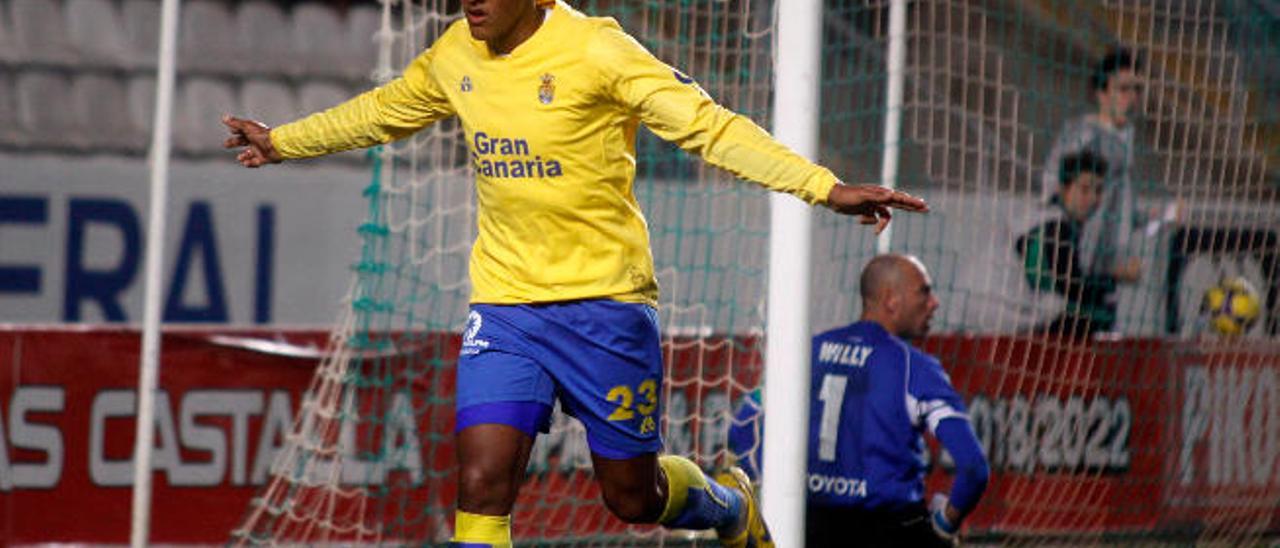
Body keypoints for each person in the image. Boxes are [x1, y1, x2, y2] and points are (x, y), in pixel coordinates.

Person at [222, 1, 929, 546]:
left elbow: (709, 127)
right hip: (505, 309)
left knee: (632, 499)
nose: (469, 2)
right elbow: (383, 112)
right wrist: (283, 141)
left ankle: (728, 505)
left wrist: (822, 186)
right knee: (479, 482)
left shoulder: (598, 50)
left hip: (605, 309)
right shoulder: (454, 54)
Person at [729, 255, 988, 547]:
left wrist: (785, 492)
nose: (934, 303)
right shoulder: (914, 367)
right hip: (889, 528)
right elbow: (974, 468)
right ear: (891, 299)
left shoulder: (809, 352)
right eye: (924, 291)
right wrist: (943, 524)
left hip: (810, 525)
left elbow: (740, 428)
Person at [1038, 48, 1150, 329]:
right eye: (1123, 89)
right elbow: (1053, 196)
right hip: (1076, 283)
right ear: (1101, 94)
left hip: (1106, 282)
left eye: (1137, 89)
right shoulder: (1083, 137)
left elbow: (1128, 211)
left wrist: (1164, 215)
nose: (1132, 97)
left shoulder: (1125, 142)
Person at [1018, 150, 1141, 338]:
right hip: (1002, 326)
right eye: (1084, 189)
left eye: (1098, 191)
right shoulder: (1053, 226)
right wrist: (1115, 277)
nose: (1092, 199)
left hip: (1017, 322)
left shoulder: (1053, 221)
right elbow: (1072, 288)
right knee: (1097, 315)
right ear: (1063, 189)